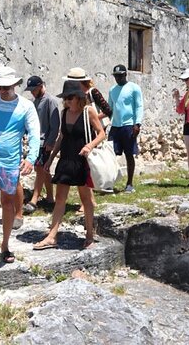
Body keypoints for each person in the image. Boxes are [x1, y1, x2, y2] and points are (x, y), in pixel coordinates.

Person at [0, 66, 40, 264]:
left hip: (10, 161)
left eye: (6, 87)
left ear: (14, 85)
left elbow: (35, 134)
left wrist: (31, 158)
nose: (2, 90)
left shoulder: (26, 106)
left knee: (8, 203)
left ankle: (5, 245)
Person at [33, 80, 105, 250]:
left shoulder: (89, 112)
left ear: (79, 97)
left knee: (86, 199)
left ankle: (89, 235)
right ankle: (52, 236)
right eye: (65, 98)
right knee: (60, 199)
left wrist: (89, 146)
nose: (67, 101)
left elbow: (101, 133)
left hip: (82, 161)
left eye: (70, 97)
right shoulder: (64, 112)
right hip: (66, 159)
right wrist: (50, 159)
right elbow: (61, 137)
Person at [64, 67, 114, 202]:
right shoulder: (73, 95)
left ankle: (89, 201)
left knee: (89, 166)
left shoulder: (93, 92)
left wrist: (90, 118)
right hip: (81, 132)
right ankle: (88, 202)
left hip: (92, 132)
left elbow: (108, 110)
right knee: (84, 168)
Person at [23, 75, 60, 213]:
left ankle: (34, 200)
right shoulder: (34, 102)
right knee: (44, 169)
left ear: (40, 86)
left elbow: (55, 124)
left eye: (34, 89)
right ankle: (50, 198)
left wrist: (51, 142)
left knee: (39, 169)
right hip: (35, 141)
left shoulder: (51, 101)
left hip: (45, 142)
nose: (32, 92)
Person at [108, 65, 144, 193]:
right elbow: (110, 109)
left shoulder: (134, 88)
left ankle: (129, 183)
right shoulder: (112, 90)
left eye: (120, 75)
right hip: (115, 126)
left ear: (125, 75)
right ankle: (108, 182)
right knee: (110, 154)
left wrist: (137, 123)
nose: (117, 78)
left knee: (129, 155)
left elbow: (139, 106)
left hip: (129, 125)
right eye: (116, 76)